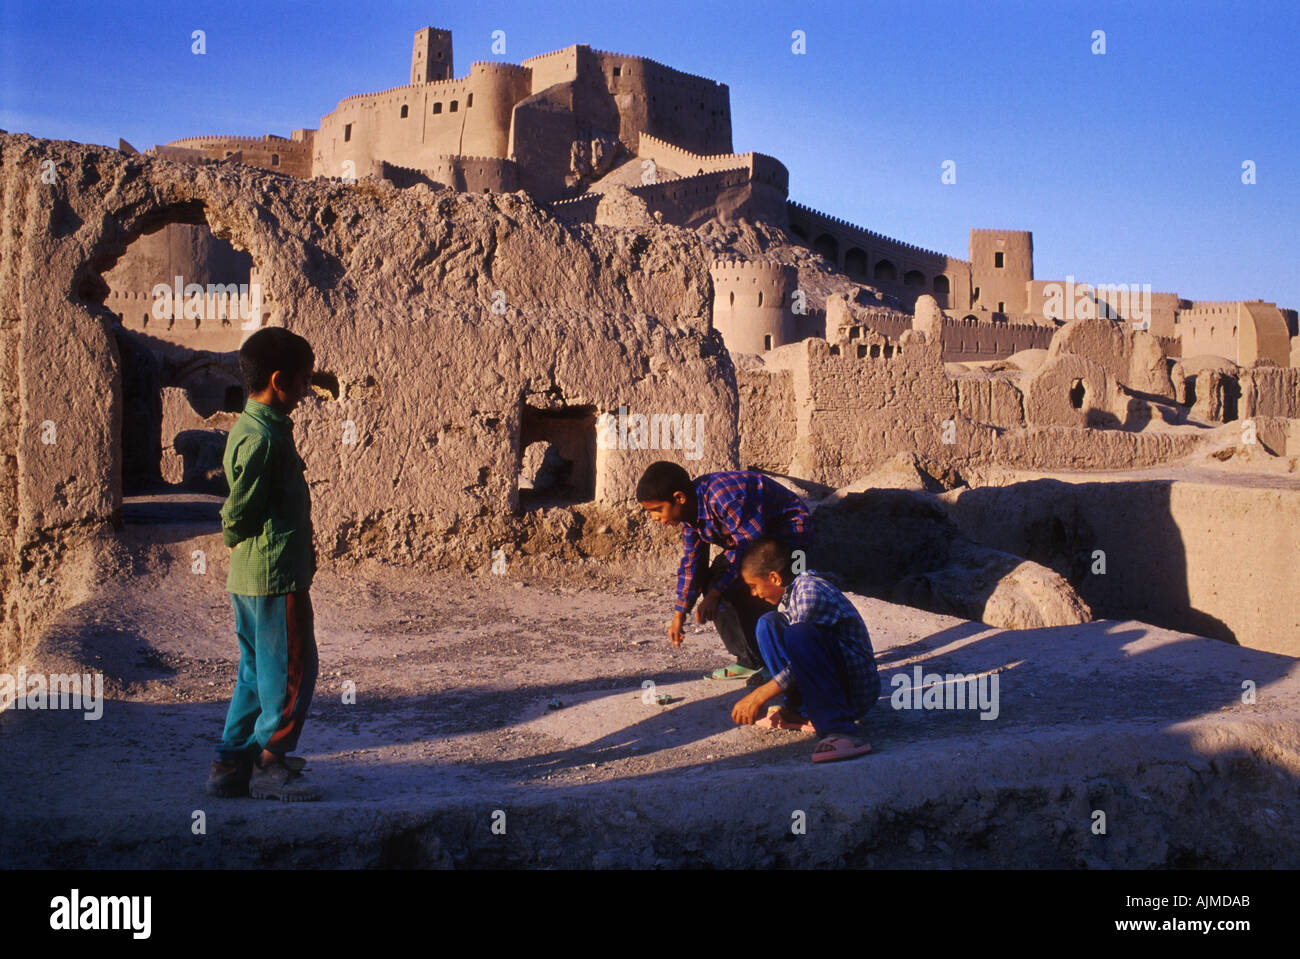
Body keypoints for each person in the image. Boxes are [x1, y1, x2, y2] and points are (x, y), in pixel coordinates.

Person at [205, 327, 322, 801]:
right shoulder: (261, 438)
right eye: (303, 381)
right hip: (274, 577)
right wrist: (232, 533)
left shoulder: (255, 426)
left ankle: (230, 764)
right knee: (294, 671)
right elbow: (239, 511)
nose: (307, 391)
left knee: (256, 672)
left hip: (254, 578)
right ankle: (269, 765)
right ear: (279, 380)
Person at [636, 462, 811, 683]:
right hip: (752, 543)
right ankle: (752, 661)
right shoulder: (691, 514)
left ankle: (783, 663)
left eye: (657, 510)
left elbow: (751, 548)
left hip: (790, 535)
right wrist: (680, 613)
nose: (655, 518)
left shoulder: (725, 497)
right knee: (712, 581)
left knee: (763, 586)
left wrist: (716, 593)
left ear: (679, 498)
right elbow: (692, 562)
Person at [732, 537, 879, 763]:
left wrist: (759, 695)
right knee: (768, 624)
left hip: (856, 691)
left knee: (798, 634)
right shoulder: (792, 594)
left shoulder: (810, 590)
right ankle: (799, 711)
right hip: (833, 677)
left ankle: (842, 732)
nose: (754, 594)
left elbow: (803, 656)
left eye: (754, 586)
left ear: (774, 577)